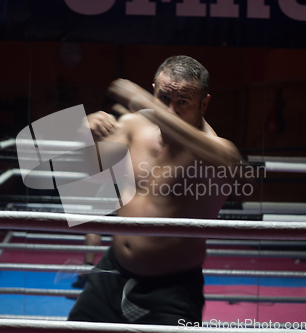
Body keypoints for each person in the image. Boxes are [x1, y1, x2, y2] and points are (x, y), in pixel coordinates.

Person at [68, 55, 241, 325]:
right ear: (153, 91)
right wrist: (86, 132)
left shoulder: (216, 151)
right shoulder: (133, 127)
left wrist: (148, 104)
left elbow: (230, 160)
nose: (170, 111)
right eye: (163, 99)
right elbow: (90, 170)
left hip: (172, 290)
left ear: (204, 104)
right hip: (112, 272)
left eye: (183, 102)